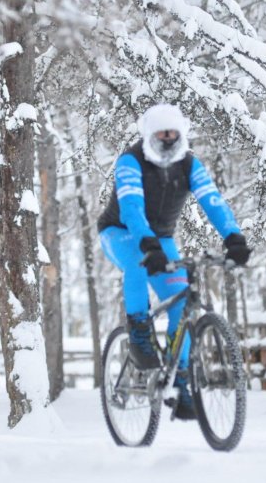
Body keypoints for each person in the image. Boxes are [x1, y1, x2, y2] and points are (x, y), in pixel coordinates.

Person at [97, 104, 251, 420]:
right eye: (161, 134)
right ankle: (138, 330)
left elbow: (213, 201)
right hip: (121, 232)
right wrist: (148, 245)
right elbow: (131, 208)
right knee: (139, 262)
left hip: (161, 238)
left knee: (182, 299)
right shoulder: (131, 161)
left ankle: (180, 377)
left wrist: (233, 237)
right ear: (148, 136)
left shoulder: (188, 164)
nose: (167, 140)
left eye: (173, 134)